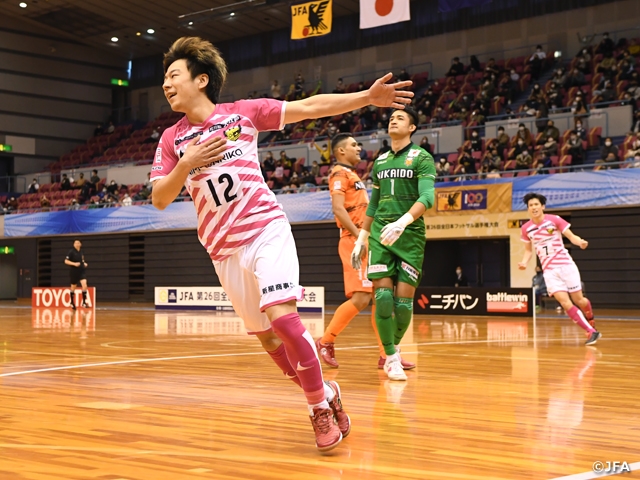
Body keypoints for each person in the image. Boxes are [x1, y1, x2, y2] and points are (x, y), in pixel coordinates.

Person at [151, 36, 414, 452]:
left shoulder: (243, 114)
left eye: (173, 75)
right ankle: (327, 392)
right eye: (163, 77)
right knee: (268, 341)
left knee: (283, 318)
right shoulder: (171, 140)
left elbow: (310, 106)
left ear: (201, 79)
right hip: (223, 251)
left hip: (265, 230)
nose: (165, 84)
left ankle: (316, 409)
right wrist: (187, 163)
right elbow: (160, 199)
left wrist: (367, 96)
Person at [315, 133, 414, 371]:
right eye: (353, 145)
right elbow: (338, 210)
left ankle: (387, 354)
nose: (358, 148)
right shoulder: (339, 174)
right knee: (361, 298)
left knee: (382, 298)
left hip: (368, 240)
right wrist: (360, 238)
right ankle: (325, 341)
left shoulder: (353, 175)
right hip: (353, 240)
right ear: (340, 151)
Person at [351, 106, 436, 382]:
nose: (393, 120)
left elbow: (428, 197)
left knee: (403, 304)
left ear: (412, 127)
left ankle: (394, 348)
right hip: (380, 234)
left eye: (400, 117)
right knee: (383, 299)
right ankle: (390, 357)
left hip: (409, 235)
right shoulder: (381, 161)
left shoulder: (422, 158)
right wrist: (362, 238)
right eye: (391, 117)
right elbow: (373, 204)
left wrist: (403, 222)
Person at [518, 193, 601, 345]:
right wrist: (524, 262)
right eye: (531, 205)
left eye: (536, 204)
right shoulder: (526, 228)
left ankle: (590, 318)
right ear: (528, 209)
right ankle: (591, 332)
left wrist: (580, 242)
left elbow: (571, 236)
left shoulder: (554, 220)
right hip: (549, 271)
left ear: (542, 206)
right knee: (565, 302)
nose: (534, 208)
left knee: (579, 300)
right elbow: (529, 250)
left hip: (566, 266)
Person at [64, 239, 89, 310]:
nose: (77, 244)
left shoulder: (81, 251)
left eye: (78, 243)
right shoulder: (71, 252)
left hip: (81, 271)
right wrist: (74, 264)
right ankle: (72, 302)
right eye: (75, 243)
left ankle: (84, 302)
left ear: (80, 244)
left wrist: (84, 263)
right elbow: (66, 261)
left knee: (84, 285)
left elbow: (82, 259)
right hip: (74, 272)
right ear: (73, 244)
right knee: (73, 288)